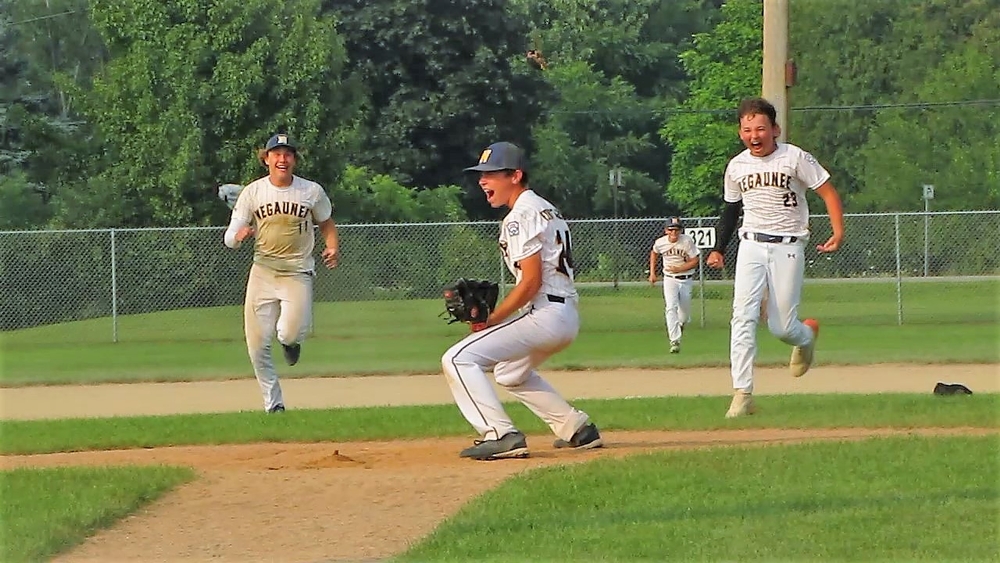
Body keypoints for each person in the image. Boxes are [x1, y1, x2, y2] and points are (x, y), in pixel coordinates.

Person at [441, 141, 603, 460]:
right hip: (563, 313)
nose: (482, 181)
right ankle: (576, 429)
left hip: (544, 314)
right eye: (481, 175)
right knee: (509, 373)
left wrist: (493, 319)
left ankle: (500, 434)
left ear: (515, 176)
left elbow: (530, 282)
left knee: (458, 359)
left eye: (491, 174)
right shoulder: (545, 208)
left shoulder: (520, 215)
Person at [706, 97, 844, 419]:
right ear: (740, 132)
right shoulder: (737, 166)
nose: (754, 135)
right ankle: (742, 394)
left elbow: (827, 191)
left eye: (761, 128)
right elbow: (730, 210)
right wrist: (719, 248)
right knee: (742, 317)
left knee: (782, 328)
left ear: (775, 129)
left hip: (788, 246)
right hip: (750, 245)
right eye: (747, 129)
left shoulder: (794, 157)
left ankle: (806, 335)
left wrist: (837, 231)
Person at [223, 133, 340, 413]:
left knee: (287, 333)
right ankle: (273, 405)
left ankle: (291, 343)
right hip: (263, 271)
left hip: (297, 272)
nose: (282, 159)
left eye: (287, 154)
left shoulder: (310, 191)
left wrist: (333, 247)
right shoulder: (253, 192)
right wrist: (238, 236)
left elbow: (326, 223)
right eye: (276, 154)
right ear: (266, 159)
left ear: (294, 160)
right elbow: (230, 236)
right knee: (256, 345)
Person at [648, 216, 700, 353]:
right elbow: (654, 253)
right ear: (666, 230)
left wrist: (680, 269)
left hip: (686, 278)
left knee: (684, 313)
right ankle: (674, 340)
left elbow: (695, 260)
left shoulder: (687, 241)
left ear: (681, 231)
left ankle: (681, 324)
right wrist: (653, 273)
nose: (674, 233)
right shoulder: (660, 243)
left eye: (677, 230)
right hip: (670, 278)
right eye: (671, 230)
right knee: (670, 307)